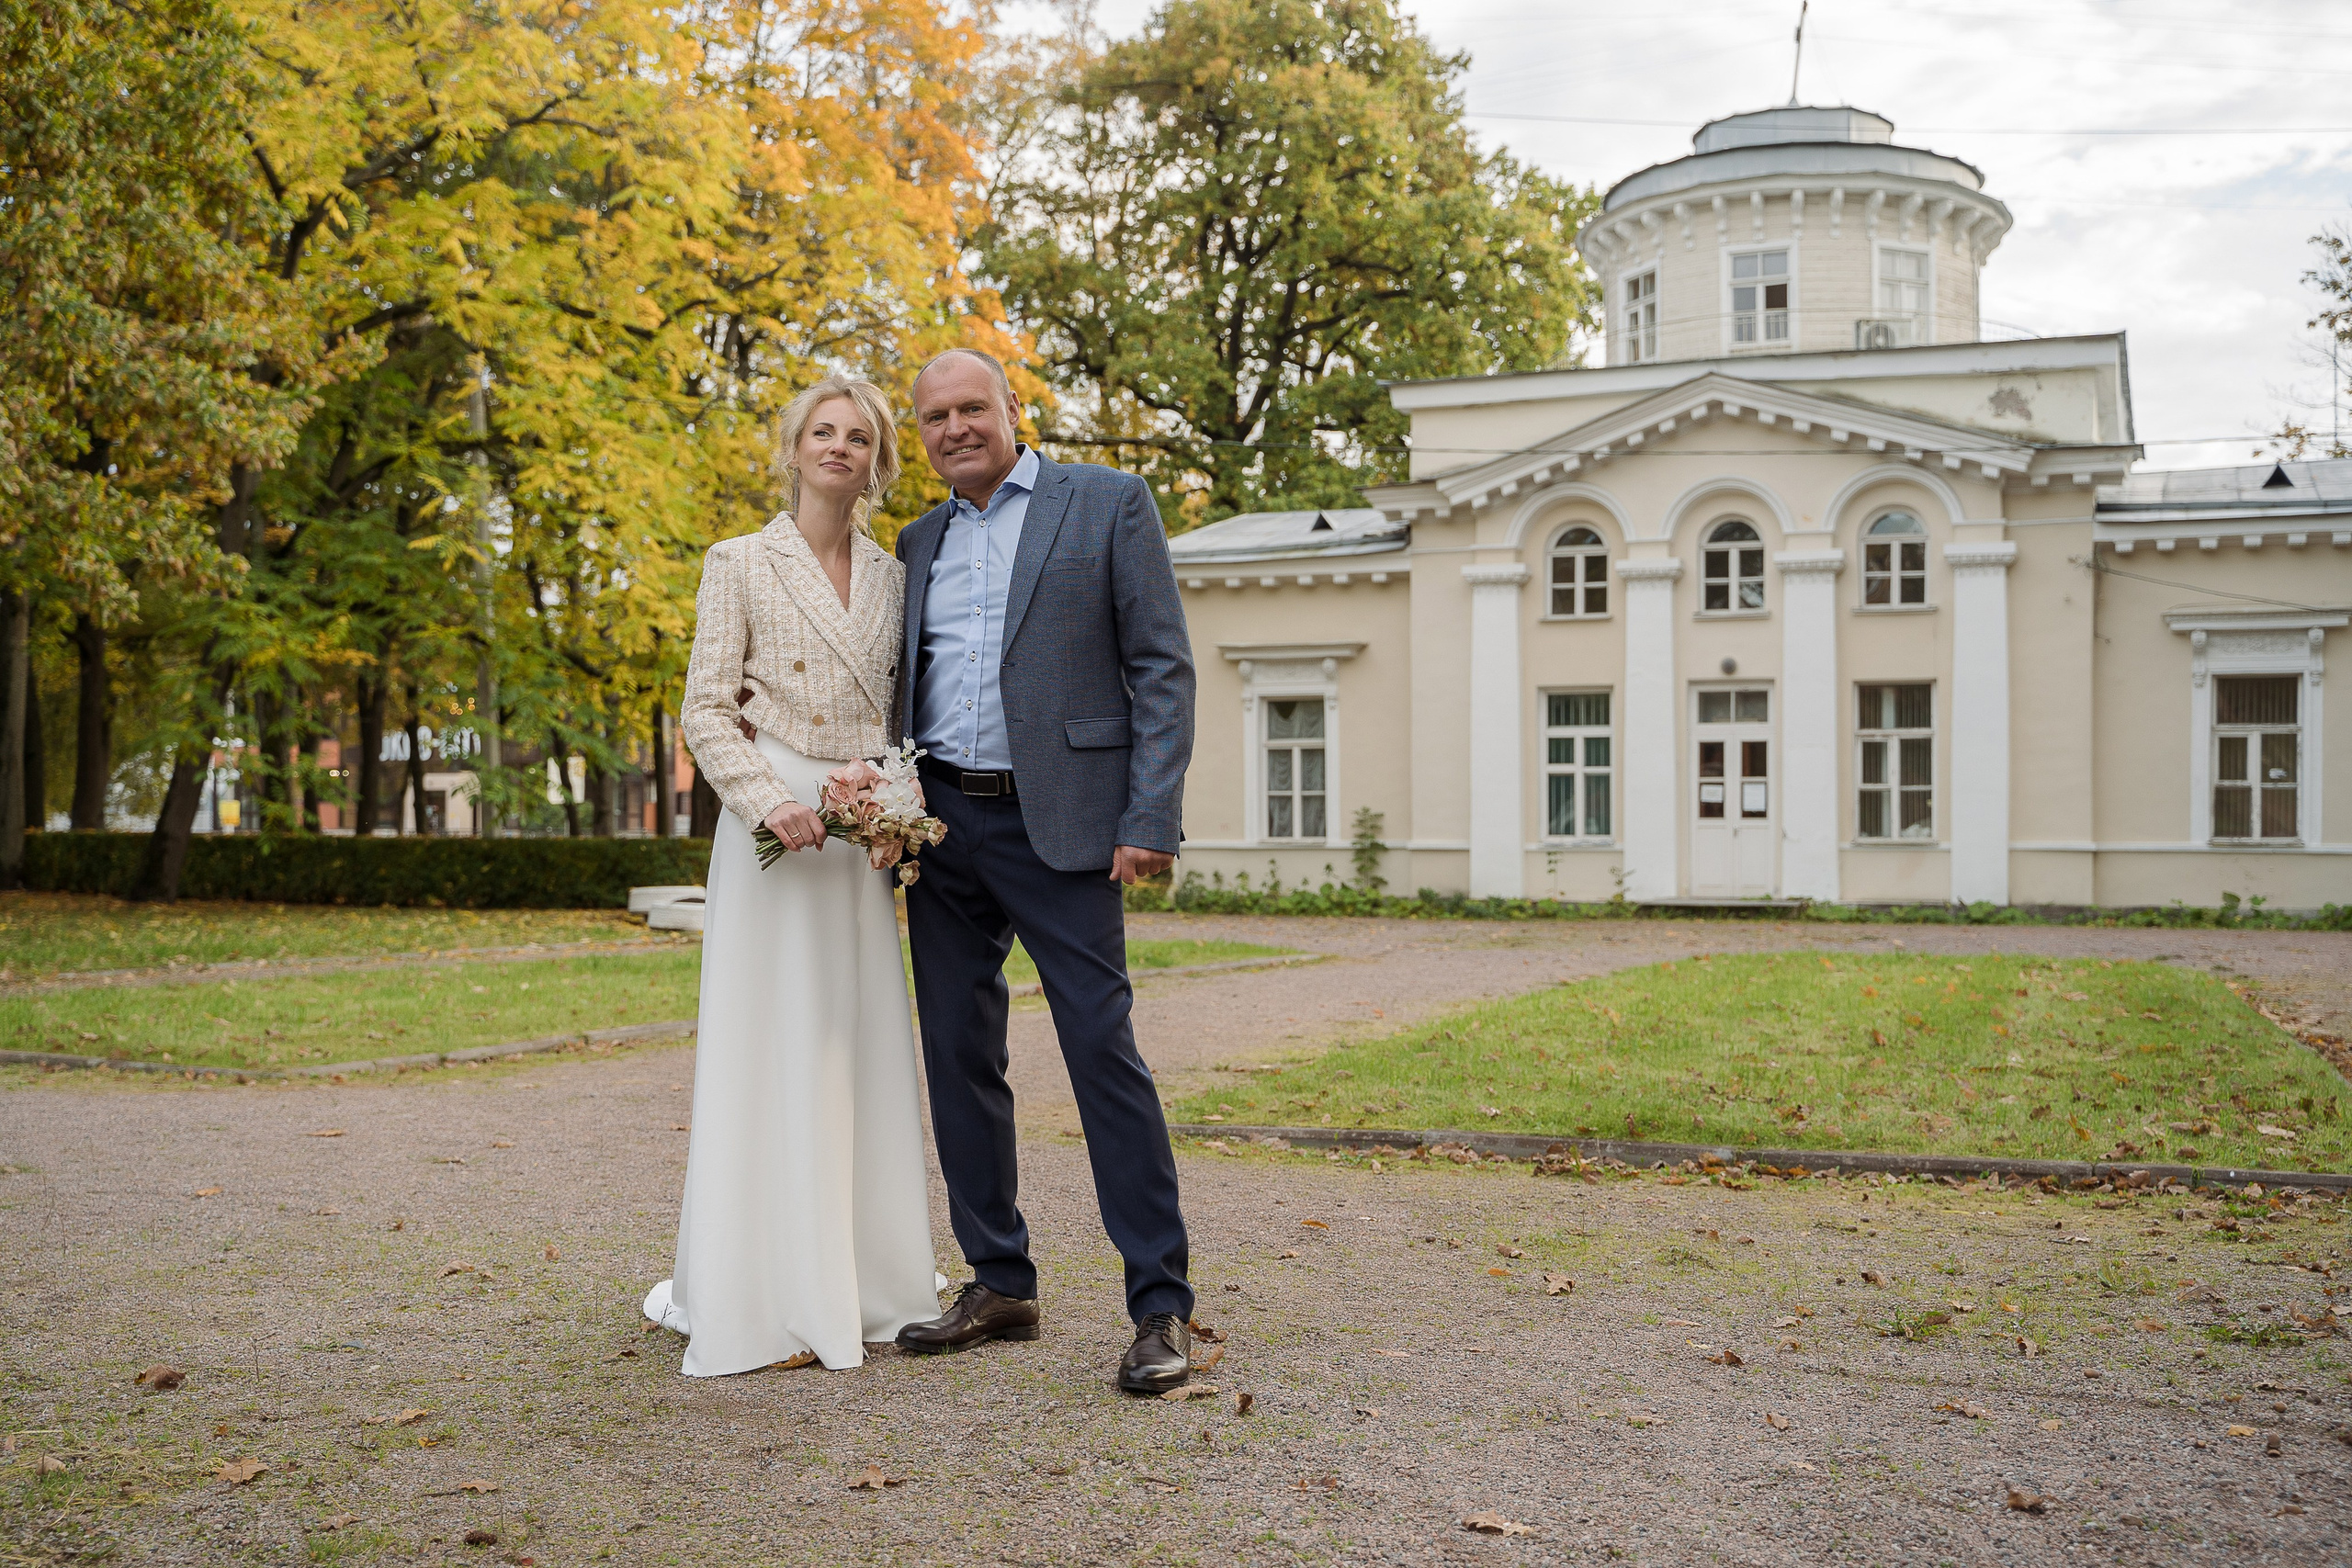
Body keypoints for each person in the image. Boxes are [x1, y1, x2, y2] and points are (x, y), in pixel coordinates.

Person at [889, 347, 1199, 1394]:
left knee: (1101, 1054)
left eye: (971, 407)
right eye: (933, 416)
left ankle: (1160, 1306)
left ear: (1012, 409)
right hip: (941, 832)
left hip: (1065, 827)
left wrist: (1150, 812)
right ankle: (999, 1278)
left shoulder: (1106, 502)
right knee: (957, 1056)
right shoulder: (917, 539)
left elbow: (1159, 662)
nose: (953, 428)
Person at [643, 376, 943, 1375]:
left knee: (851, 1043)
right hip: (773, 831)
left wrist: (889, 793)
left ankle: (867, 1277)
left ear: (878, 459)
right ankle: (758, 1284)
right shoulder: (738, 562)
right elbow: (704, 708)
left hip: (861, 840)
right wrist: (766, 796)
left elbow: (905, 710)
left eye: (860, 436)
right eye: (824, 431)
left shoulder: (896, 575)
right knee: (769, 1040)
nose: (840, 448)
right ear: (794, 447)